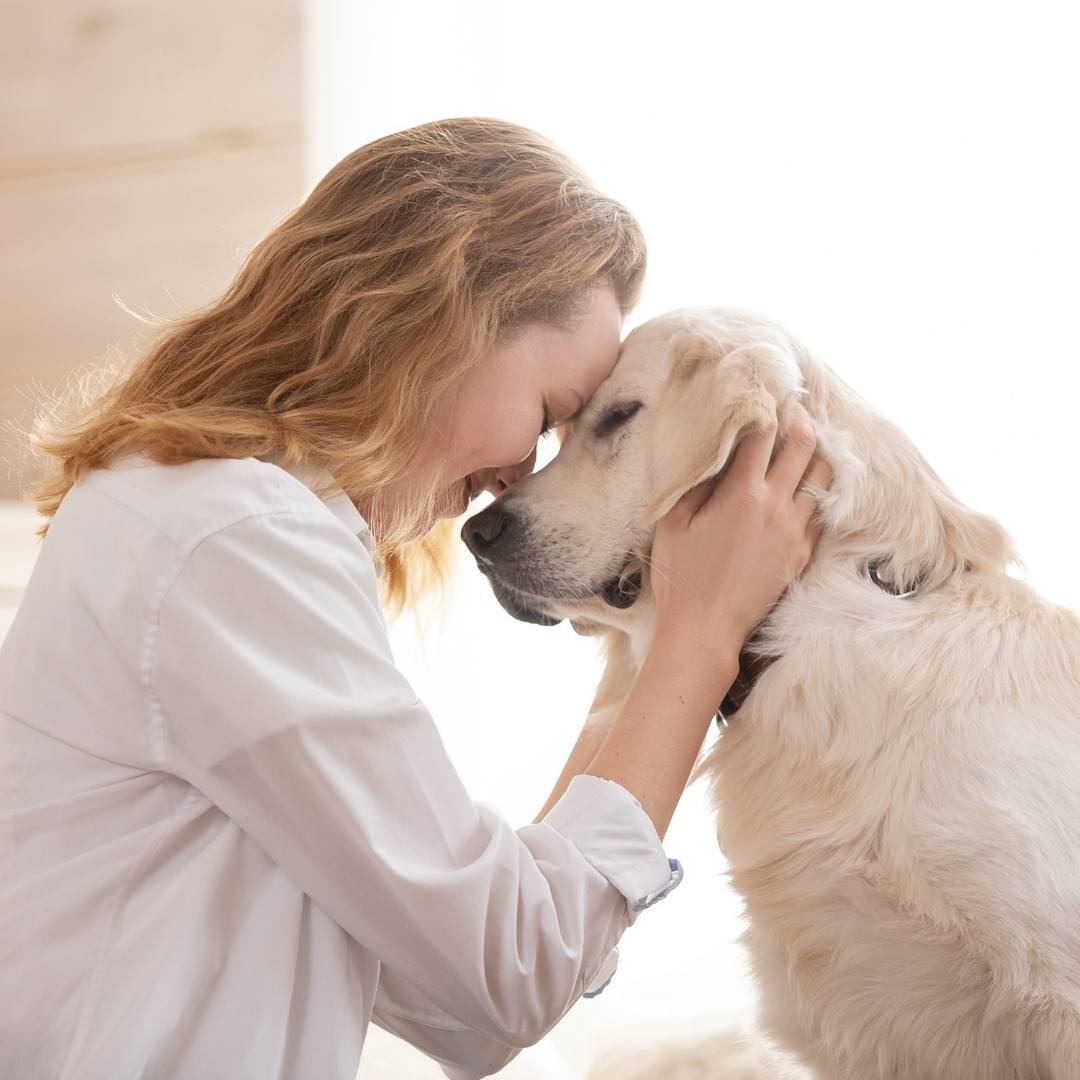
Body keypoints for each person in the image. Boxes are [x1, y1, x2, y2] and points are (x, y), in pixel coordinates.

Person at [0, 117, 832, 1079]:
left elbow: (468, 1011)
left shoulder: (204, 517)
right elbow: (508, 974)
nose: (522, 474)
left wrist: (650, 636)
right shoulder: (231, 537)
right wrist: (701, 636)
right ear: (446, 313)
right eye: (554, 416)